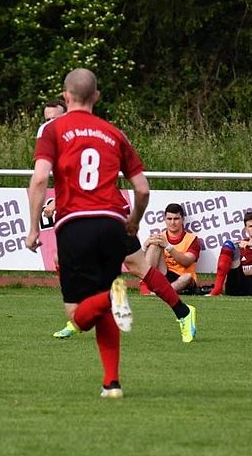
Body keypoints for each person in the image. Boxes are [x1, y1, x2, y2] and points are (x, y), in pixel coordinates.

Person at [25, 68, 196, 398]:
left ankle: (158, 307)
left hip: (77, 222)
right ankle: (112, 383)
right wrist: (134, 221)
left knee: (80, 313)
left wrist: (33, 228)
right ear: (97, 97)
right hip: (114, 221)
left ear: (65, 97)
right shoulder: (114, 133)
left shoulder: (52, 130)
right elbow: (142, 189)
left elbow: (39, 179)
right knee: (118, 279)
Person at [38, 107, 196, 342]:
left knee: (137, 266)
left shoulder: (82, 138)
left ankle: (183, 313)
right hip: (88, 212)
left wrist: (56, 203)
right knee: (65, 260)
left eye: (55, 118)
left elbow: (87, 181)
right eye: (47, 119)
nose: (50, 122)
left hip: (108, 212)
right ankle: (80, 316)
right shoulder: (59, 138)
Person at [140, 203, 203, 295]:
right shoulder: (160, 237)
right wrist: (145, 247)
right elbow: (140, 263)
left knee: (187, 277)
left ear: (183, 219)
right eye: (169, 219)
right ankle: (145, 285)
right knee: (154, 245)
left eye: (176, 219)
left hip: (183, 277)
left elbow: (186, 262)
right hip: (164, 274)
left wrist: (168, 246)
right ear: (165, 220)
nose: (172, 222)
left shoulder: (192, 239)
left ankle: (161, 293)